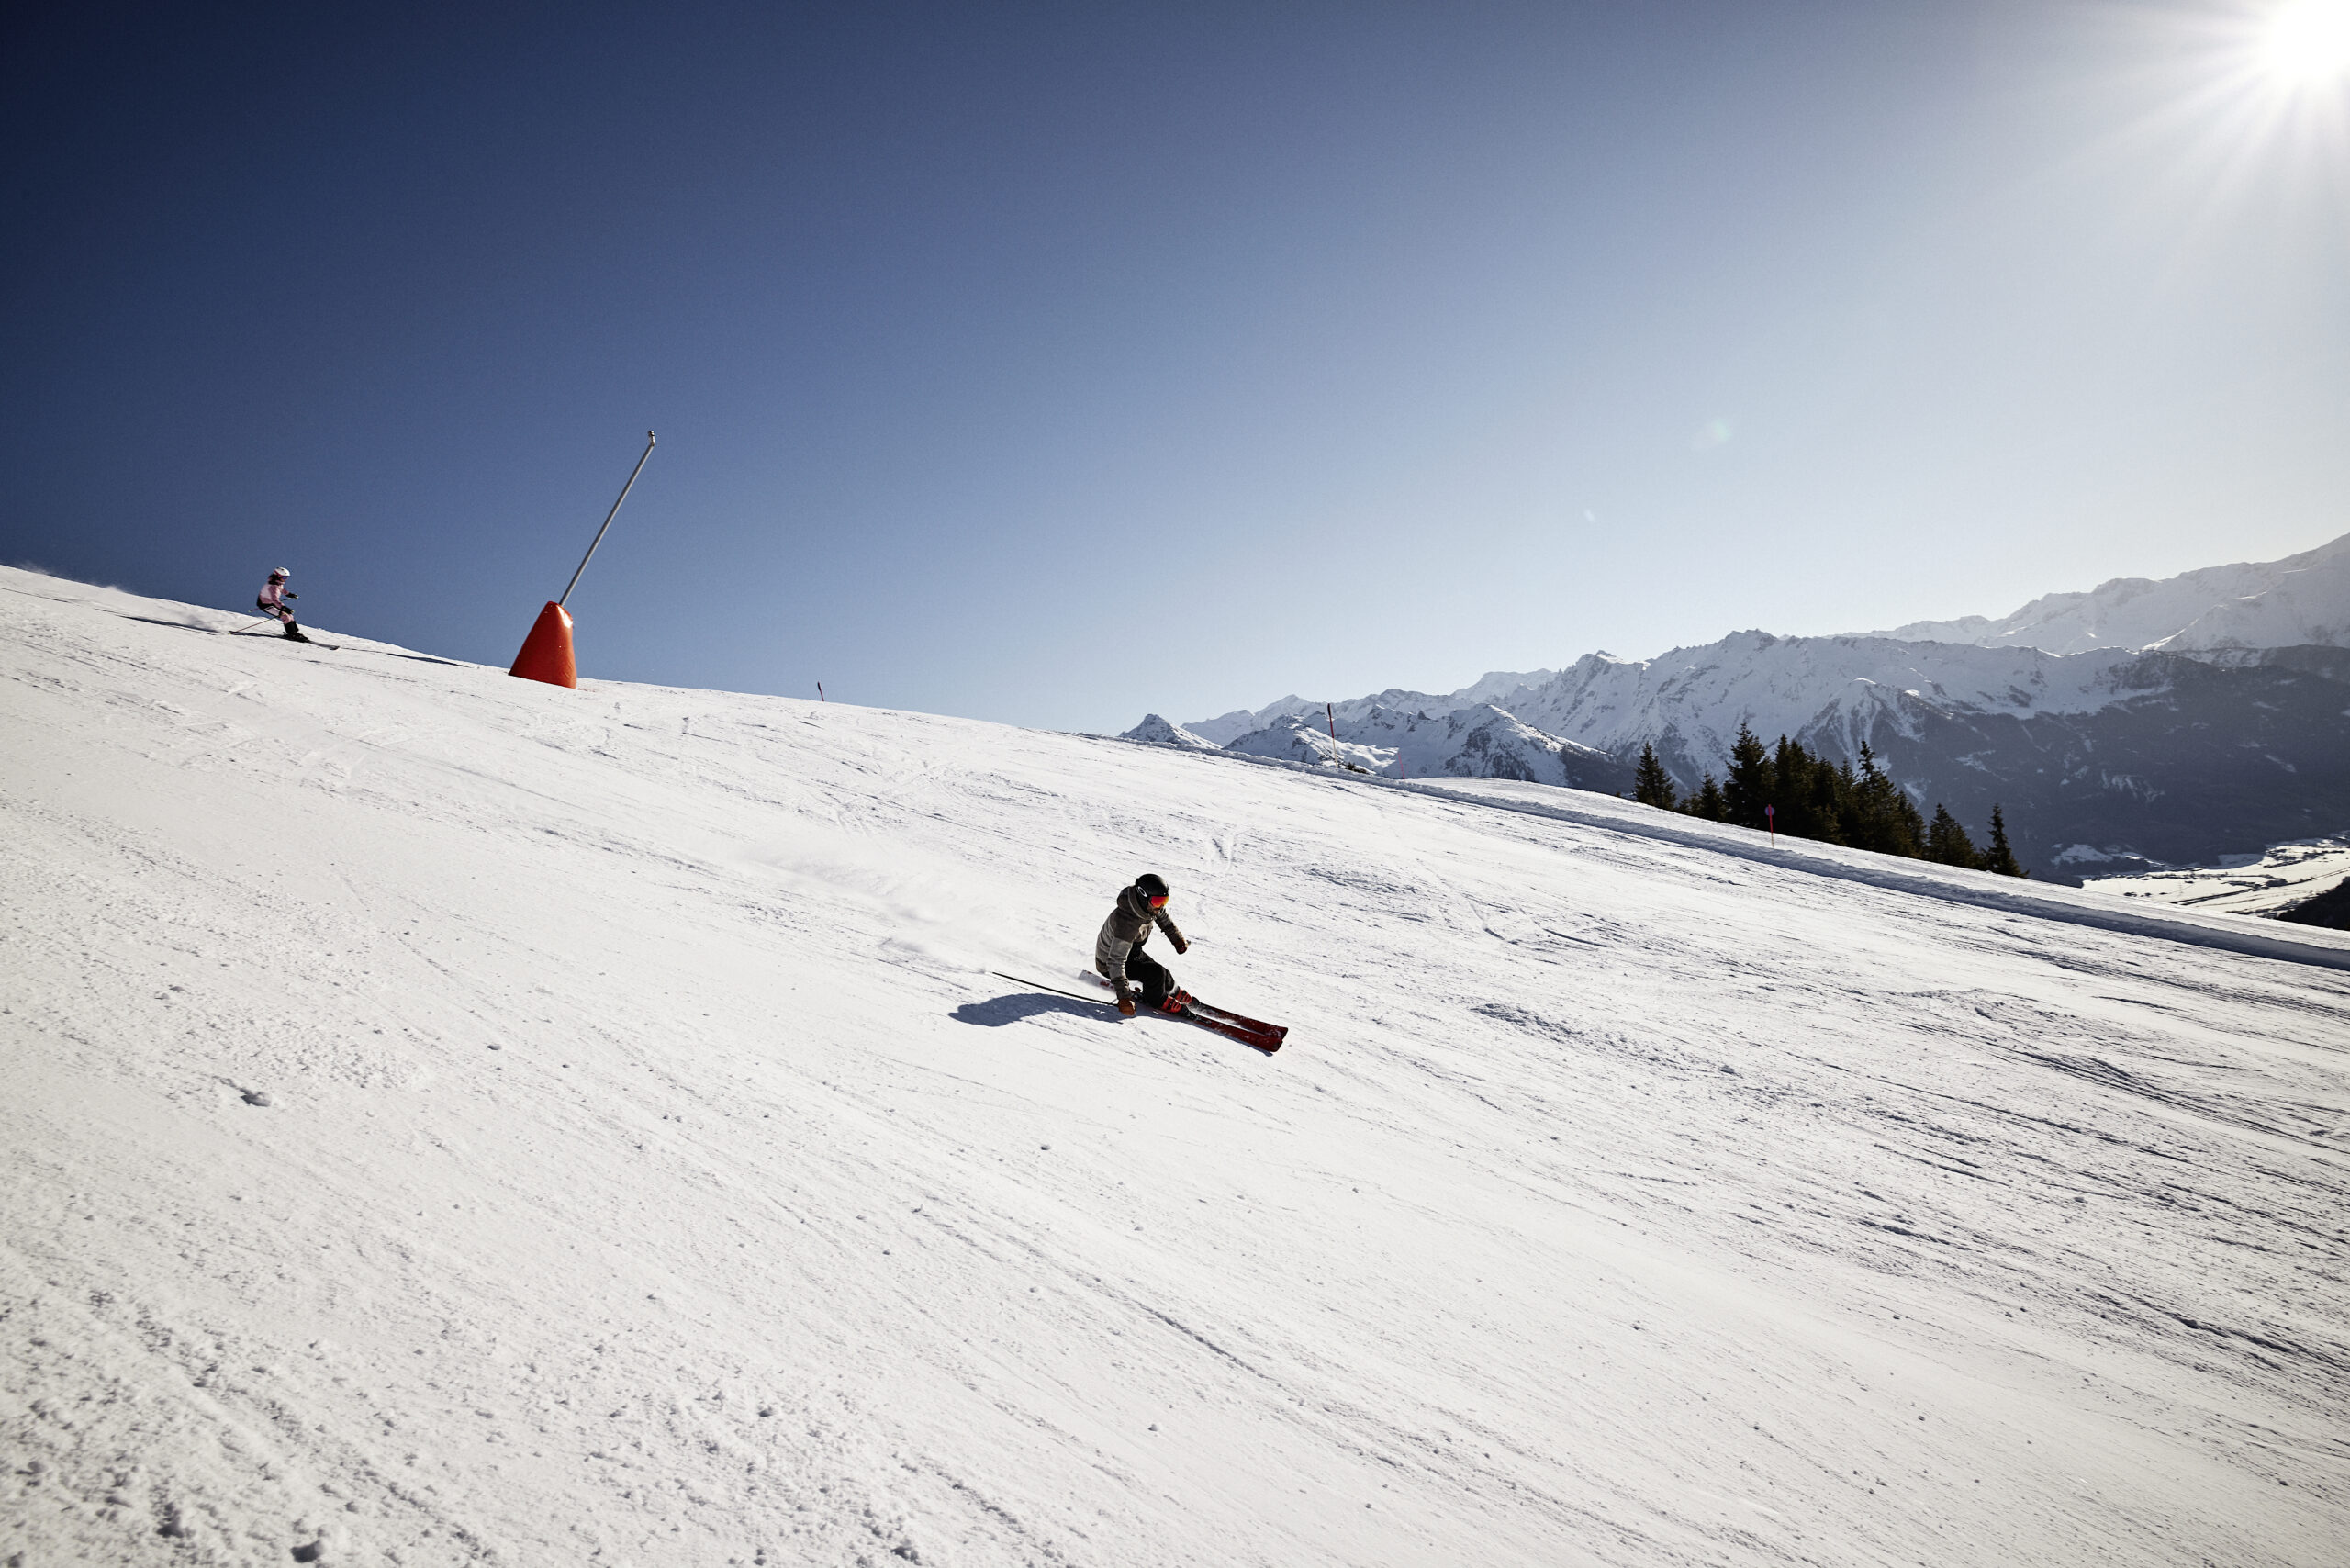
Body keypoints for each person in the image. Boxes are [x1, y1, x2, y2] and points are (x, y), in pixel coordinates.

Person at [1096, 872, 1190, 1017]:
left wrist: (1177, 939)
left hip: (1131, 951)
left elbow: (1163, 918)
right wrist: (1124, 998)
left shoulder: (1148, 906)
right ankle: (1157, 1000)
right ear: (1143, 895)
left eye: (1164, 901)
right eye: (1158, 902)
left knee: (1163, 973)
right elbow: (1115, 961)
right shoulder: (1127, 923)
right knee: (1155, 974)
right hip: (1109, 963)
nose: (1161, 906)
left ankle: (1172, 991)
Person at [256, 568, 308, 642]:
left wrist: (289, 594)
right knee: (285, 616)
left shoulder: (278, 583)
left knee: (290, 616)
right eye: (284, 577)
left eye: (286, 577)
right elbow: (275, 600)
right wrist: (284, 608)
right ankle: (291, 634)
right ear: (277, 576)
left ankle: (295, 632)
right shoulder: (272, 586)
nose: (286, 579)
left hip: (270, 603)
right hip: (265, 605)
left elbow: (282, 590)